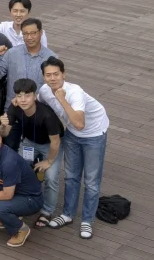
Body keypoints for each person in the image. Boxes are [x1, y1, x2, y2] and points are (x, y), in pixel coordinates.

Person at [40, 57, 109, 240]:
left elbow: (79, 123)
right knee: (71, 176)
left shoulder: (74, 92)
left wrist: (61, 99)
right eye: (48, 75)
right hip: (71, 134)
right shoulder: (44, 91)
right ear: (43, 76)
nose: (53, 78)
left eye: (56, 74)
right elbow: (38, 104)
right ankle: (68, 214)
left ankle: (87, 220)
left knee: (92, 181)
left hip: (94, 134)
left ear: (64, 74)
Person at [0, 78, 64, 229]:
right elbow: (4, 133)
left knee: (51, 177)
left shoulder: (47, 115)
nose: (23, 100)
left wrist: (48, 161)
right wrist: (2, 125)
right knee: (18, 171)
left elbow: (55, 142)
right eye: (19, 95)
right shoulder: (14, 108)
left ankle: (47, 211)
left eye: (27, 95)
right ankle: (20, 204)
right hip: (29, 142)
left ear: (34, 96)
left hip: (50, 145)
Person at [0, 18, 56, 111]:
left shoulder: (51, 57)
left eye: (33, 33)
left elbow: (55, 86)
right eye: (25, 34)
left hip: (39, 111)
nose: (29, 37)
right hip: (12, 109)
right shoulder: (12, 53)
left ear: (40, 33)